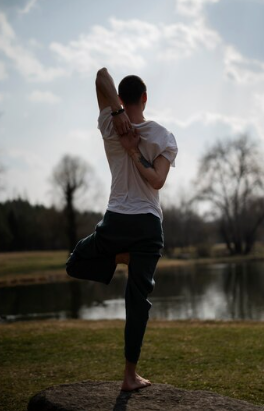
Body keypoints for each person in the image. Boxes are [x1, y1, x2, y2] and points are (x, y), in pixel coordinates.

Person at [66, 67, 178, 391]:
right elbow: (157, 180)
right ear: (145, 98)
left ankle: (118, 255)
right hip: (148, 227)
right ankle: (130, 376)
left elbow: (101, 75)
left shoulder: (108, 126)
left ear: (121, 97)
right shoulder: (162, 135)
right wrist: (127, 131)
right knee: (137, 301)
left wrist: (116, 115)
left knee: (75, 262)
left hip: (116, 221)